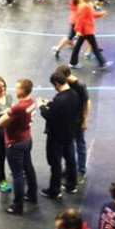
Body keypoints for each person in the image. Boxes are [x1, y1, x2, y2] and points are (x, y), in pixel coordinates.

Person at [0, 78, 39, 215]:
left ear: (22, 90)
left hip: (15, 143)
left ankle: (18, 206)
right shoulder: (32, 101)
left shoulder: (18, 107)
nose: (14, 90)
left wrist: (7, 112)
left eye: (17, 88)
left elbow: (0, 122)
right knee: (28, 168)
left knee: (17, 174)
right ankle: (32, 195)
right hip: (27, 139)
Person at [39, 71, 80, 199]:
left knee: (55, 163)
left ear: (56, 83)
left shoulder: (59, 99)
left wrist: (42, 107)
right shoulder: (74, 94)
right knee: (70, 160)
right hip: (69, 133)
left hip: (56, 136)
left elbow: (49, 116)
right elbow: (63, 109)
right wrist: (51, 103)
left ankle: (54, 190)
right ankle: (71, 185)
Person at [56, 64, 90, 185]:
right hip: (70, 119)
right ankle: (70, 168)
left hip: (78, 119)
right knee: (69, 144)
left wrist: (85, 119)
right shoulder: (67, 83)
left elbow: (87, 102)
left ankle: (81, 170)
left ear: (67, 75)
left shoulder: (79, 85)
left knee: (80, 143)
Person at [70, 0, 112, 70]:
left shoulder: (84, 6)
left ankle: (73, 62)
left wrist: (100, 14)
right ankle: (103, 62)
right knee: (94, 46)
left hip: (85, 30)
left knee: (78, 46)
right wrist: (78, 30)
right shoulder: (85, 7)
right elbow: (80, 19)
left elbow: (91, 15)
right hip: (87, 30)